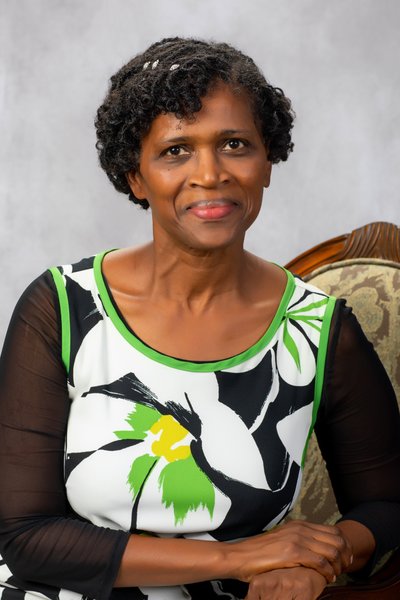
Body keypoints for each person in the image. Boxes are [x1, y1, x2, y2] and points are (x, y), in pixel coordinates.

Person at [0, 37, 399, 600]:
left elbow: (387, 506)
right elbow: (25, 534)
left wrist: (318, 560)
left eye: (234, 144)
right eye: (176, 150)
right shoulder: (62, 307)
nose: (210, 173)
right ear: (135, 177)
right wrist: (238, 557)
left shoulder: (318, 329)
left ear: (267, 162)